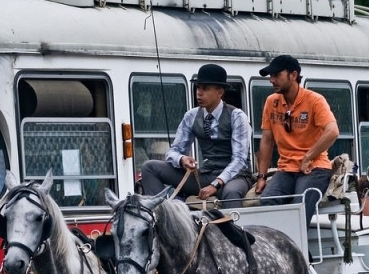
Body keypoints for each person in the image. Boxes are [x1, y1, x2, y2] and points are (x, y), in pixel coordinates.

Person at [140, 63, 254, 207]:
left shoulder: (237, 116)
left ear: (220, 92)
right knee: (150, 167)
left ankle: (235, 228)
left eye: (205, 88)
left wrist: (216, 184)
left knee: (231, 193)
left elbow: (239, 160)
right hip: (205, 174)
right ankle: (159, 216)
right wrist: (182, 159)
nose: (199, 92)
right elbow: (173, 152)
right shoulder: (191, 116)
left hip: (235, 177)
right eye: (198, 87)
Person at [254, 55, 339, 224]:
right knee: (267, 201)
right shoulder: (271, 101)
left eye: (276, 75)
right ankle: (278, 247)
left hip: (315, 168)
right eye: (270, 76)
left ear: (293, 75)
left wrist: (308, 157)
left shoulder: (315, 100)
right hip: (286, 169)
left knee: (300, 204)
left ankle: (297, 248)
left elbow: (333, 131)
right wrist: (261, 176)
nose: (271, 80)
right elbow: (267, 140)